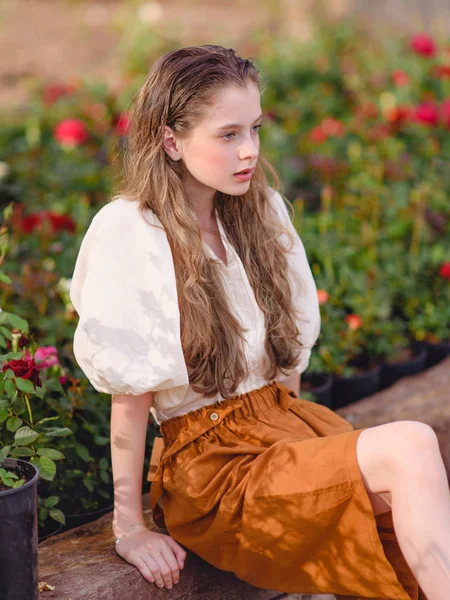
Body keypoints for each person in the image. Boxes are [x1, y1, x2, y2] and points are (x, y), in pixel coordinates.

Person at [69, 45, 450, 600]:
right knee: (412, 445)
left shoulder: (256, 211)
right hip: (210, 470)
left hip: (281, 433)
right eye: (228, 135)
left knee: (404, 523)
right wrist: (130, 526)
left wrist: (309, 460)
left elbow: (284, 365)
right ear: (171, 141)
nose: (249, 151)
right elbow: (131, 399)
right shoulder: (132, 233)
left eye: (255, 129)